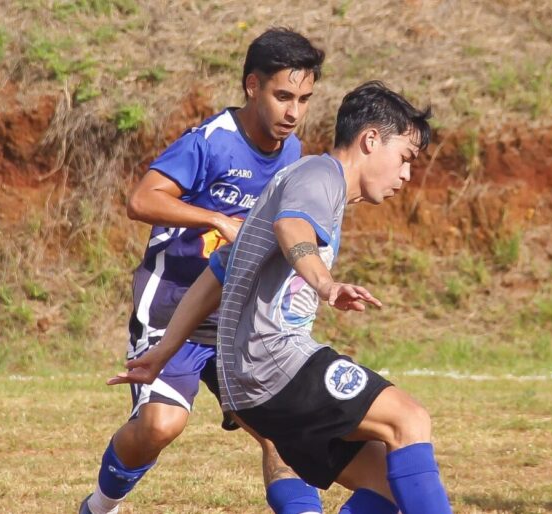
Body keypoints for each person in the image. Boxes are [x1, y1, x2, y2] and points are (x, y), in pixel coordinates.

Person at [110, 81, 453, 514]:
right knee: (409, 419)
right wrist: (325, 284)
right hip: (273, 362)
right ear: (370, 140)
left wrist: (165, 349)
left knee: (388, 485)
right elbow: (294, 229)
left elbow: (217, 274)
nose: (406, 175)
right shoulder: (319, 177)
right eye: (405, 159)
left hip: (249, 381)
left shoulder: (296, 179)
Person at [80, 28, 326, 514]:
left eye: (304, 99)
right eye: (283, 96)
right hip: (172, 303)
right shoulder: (211, 142)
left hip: (238, 315)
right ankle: (98, 507)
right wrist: (215, 218)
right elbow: (141, 199)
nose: (294, 112)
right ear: (252, 86)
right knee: (160, 426)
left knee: (281, 437)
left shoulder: (294, 154)